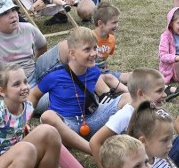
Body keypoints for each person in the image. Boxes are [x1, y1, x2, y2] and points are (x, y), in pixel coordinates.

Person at [0, 64, 99, 168]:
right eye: (16, 84)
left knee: (53, 141)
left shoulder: (27, 107)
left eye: (25, 82)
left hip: (20, 153)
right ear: (2, 91)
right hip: (1, 163)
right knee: (33, 164)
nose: (24, 87)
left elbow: (21, 130)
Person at [30, 27, 131, 156]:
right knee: (47, 116)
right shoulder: (54, 76)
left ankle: (130, 141)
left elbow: (108, 82)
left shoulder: (94, 71)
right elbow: (33, 95)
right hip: (67, 125)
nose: (94, 53)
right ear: (72, 54)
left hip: (90, 119)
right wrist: (25, 121)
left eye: (95, 48)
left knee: (127, 98)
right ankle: (94, 150)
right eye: (87, 49)